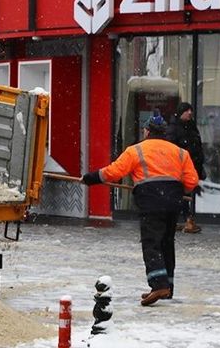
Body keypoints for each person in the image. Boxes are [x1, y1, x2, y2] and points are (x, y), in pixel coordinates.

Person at [81, 111, 199, 306]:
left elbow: (114, 171)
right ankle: (167, 287)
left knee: (151, 242)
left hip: (151, 200)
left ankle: (159, 284)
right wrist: (177, 190)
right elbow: (191, 181)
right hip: (173, 201)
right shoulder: (180, 152)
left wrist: (90, 178)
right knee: (166, 243)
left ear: (146, 131)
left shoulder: (136, 150)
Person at [166, 102, 207, 234]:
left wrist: (199, 161)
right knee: (183, 194)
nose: (189, 113)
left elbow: (197, 144)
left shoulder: (191, 126)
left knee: (185, 193)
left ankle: (180, 220)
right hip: (181, 167)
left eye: (191, 111)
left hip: (192, 165)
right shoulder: (174, 128)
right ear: (180, 113)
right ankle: (187, 220)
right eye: (186, 111)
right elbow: (171, 148)